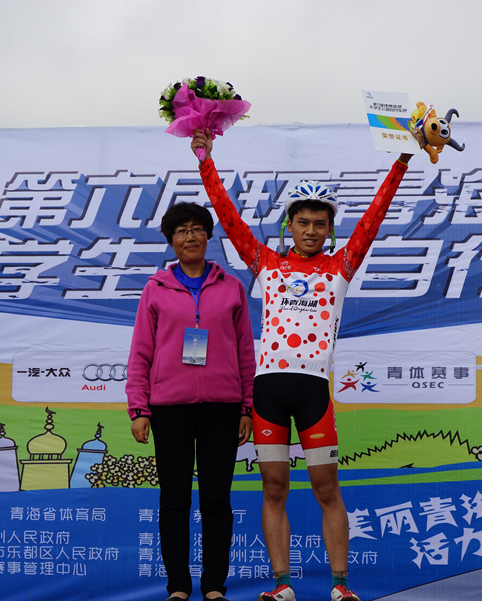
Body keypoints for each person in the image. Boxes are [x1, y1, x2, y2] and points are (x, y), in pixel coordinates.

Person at [191, 127, 425, 601]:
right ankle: (282, 585)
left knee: (326, 487)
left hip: (314, 390)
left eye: (320, 223)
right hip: (269, 391)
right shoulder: (265, 263)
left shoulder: (341, 266)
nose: (312, 231)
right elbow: (228, 217)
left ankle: (341, 586)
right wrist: (205, 160)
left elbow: (375, 216)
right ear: (290, 225)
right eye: (303, 222)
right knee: (274, 487)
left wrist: (401, 161)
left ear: (330, 229)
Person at [126, 202, 256, 601]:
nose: (190, 237)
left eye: (197, 229)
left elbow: (245, 352)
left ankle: (214, 586)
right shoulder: (156, 288)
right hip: (169, 408)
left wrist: (246, 407)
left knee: (217, 500)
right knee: (174, 499)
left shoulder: (231, 286)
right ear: (171, 240)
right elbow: (141, 352)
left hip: (222, 408)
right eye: (181, 231)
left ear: (208, 236)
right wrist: (139, 408)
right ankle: (179, 588)